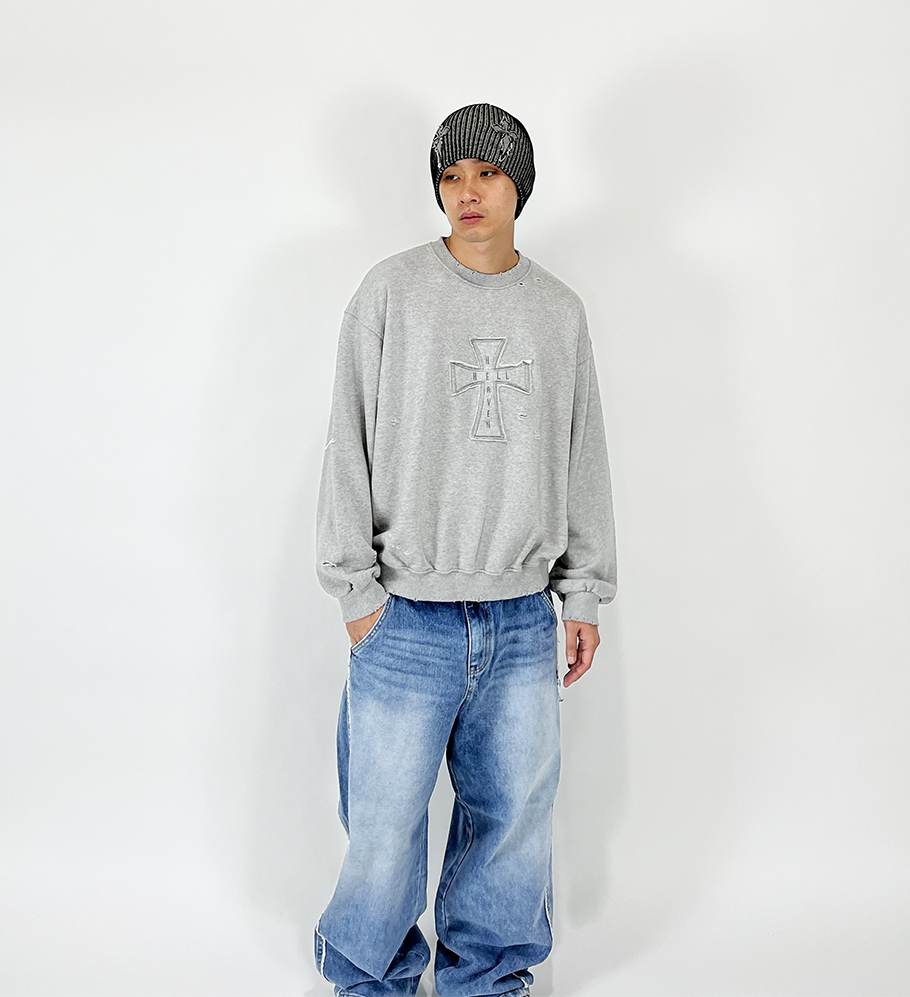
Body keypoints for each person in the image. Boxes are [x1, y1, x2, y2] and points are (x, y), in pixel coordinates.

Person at [313, 102, 618, 997]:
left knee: (513, 818)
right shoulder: (391, 293)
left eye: (487, 172)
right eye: (451, 175)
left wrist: (583, 592)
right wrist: (357, 594)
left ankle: (486, 977)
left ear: (519, 185)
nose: (467, 191)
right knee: (383, 823)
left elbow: (583, 455)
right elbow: (346, 442)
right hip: (404, 615)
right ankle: (370, 974)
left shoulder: (557, 312)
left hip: (522, 617)